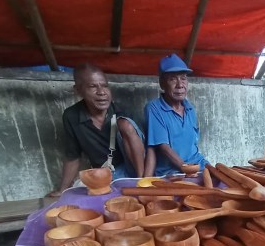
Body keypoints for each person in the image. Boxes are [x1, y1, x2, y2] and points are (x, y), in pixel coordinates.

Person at [48, 64, 150, 197]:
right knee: (78, 191)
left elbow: (147, 149)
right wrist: (62, 189)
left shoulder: (122, 111)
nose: (102, 92)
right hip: (108, 174)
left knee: (125, 124)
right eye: (92, 86)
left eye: (105, 85)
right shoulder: (71, 116)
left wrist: (144, 181)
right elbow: (73, 156)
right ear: (78, 90)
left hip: (134, 170)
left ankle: (140, 182)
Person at [144, 54, 208, 176]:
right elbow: (164, 148)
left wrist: (210, 168)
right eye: (173, 79)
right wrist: (186, 168)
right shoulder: (154, 108)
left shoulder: (190, 108)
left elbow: (193, 147)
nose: (180, 85)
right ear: (162, 84)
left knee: (225, 179)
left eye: (183, 78)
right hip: (173, 171)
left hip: (197, 164)